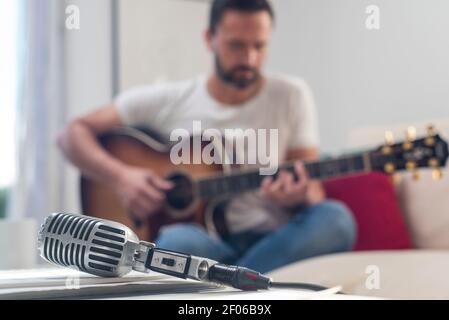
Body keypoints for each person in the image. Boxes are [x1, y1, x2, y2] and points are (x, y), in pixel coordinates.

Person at [58, 0, 356, 273]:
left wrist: (300, 195)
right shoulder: (170, 99)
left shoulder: (291, 95)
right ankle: (250, 284)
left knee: (336, 220)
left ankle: (230, 283)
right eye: (236, 46)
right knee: (174, 241)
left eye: (259, 46)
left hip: (277, 240)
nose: (249, 59)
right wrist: (122, 178)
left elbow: (314, 190)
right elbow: (72, 135)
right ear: (209, 38)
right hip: (205, 243)